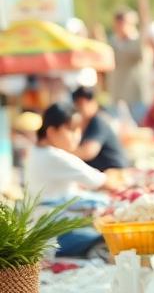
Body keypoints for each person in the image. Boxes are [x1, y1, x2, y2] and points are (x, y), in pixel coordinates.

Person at [24, 102, 107, 257]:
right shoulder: (55, 156)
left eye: (79, 130)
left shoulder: (36, 151)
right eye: (72, 130)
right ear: (52, 132)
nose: (78, 136)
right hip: (58, 237)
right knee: (109, 236)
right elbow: (100, 181)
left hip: (42, 231)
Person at [107, 7, 152, 123]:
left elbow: (140, 53)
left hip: (137, 97)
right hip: (118, 96)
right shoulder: (112, 42)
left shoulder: (139, 41)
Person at [72, 85, 128, 171]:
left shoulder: (98, 121)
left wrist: (64, 154)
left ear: (95, 102)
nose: (83, 106)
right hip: (98, 171)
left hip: (114, 170)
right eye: (80, 103)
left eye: (87, 102)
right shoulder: (81, 123)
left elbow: (88, 152)